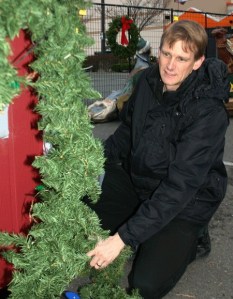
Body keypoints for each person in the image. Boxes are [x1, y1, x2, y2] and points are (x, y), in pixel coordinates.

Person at [85, 20, 230, 298]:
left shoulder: (208, 113)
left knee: (145, 284)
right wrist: (90, 162)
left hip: (187, 201)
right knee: (82, 205)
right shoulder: (148, 81)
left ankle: (194, 237)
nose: (170, 66)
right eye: (166, 54)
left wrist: (122, 239)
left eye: (181, 58)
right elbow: (126, 133)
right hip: (140, 182)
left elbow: (179, 187)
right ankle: (144, 228)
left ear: (197, 62)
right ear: (158, 51)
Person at [87, 38, 152, 122]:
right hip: (131, 95)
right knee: (114, 97)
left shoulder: (142, 68)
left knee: (115, 98)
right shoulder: (146, 67)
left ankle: (96, 113)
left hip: (131, 97)